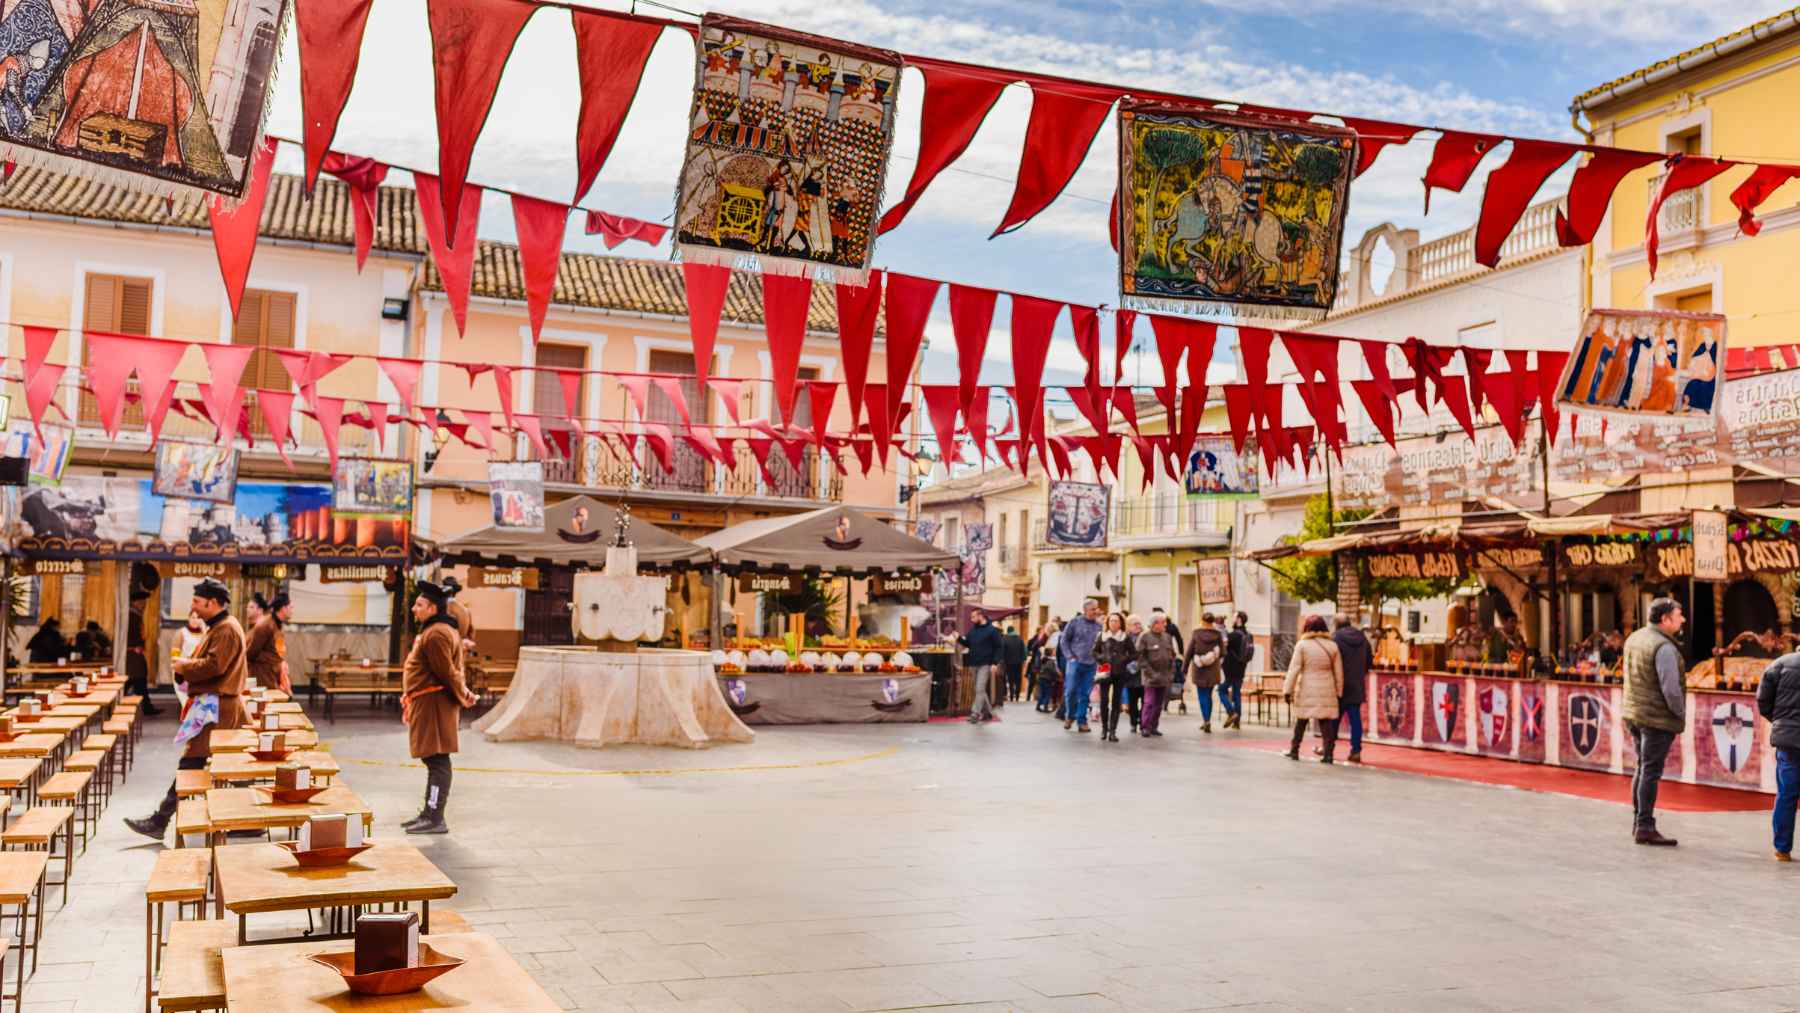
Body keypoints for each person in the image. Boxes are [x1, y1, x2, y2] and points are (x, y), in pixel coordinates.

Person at [126, 578, 248, 841]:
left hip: (217, 707)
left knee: (194, 761)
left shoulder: (226, 628)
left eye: (196, 601)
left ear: (211, 602)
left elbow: (215, 666)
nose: (193, 607)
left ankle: (160, 820)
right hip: (213, 704)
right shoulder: (219, 626)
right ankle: (246, 820)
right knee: (206, 761)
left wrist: (184, 667)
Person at [401, 581, 478, 835]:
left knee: (437, 761)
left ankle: (435, 817)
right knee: (434, 759)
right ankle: (429, 813)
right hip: (429, 704)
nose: (414, 609)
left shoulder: (436, 634)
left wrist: (463, 693)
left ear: (433, 608)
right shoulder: (437, 630)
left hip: (434, 706)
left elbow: (446, 672)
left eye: (419, 605)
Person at [1623, 598, 1687, 847]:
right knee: (1650, 770)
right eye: (1678, 615)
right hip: (1656, 718)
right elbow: (1671, 689)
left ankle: (1639, 821)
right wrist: (1680, 713)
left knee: (1642, 767)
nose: (1682, 620)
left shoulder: (1635, 638)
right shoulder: (1664, 648)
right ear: (1665, 619)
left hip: (1635, 712)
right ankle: (1645, 825)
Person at [1283, 615, 1344, 763]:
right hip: (1326, 687)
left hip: (1307, 687)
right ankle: (1328, 754)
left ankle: (1294, 750)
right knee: (1325, 722)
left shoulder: (1302, 645)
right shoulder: (1332, 646)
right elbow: (1339, 672)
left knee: (1302, 720)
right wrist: (1339, 691)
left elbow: (1294, 669)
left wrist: (1287, 690)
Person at [1758, 647, 1800, 861]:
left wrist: (1779, 721)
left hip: (1788, 741)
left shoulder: (1780, 664)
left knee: (1786, 794)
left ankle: (1782, 849)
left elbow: (1763, 700)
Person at [1332, 614, 1372, 763]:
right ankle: (1356, 751)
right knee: (1355, 719)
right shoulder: (1362, 638)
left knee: (1334, 717)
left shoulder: (1335, 638)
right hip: (1357, 684)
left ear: (1337, 624)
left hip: (1340, 683)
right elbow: (1369, 660)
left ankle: (1328, 746)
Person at [1060, 600, 1103, 733]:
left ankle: (1082, 721)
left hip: (1091, 664)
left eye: (1096, 609)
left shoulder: (1099, 626)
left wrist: (1100, 660)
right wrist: (1070, 657)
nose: (1095, 611)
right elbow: (1064, 640)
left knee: (1085, 693)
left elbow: (1102, 645)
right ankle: (1070, 716)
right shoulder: (1074, 622)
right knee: (1071, 691)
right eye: (1092, 609)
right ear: (1085, 610)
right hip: (1075, 662)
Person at [1135, 614, 1179, 737]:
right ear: (1154, 624)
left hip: (1165, 675)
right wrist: (1151, 673)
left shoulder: (1167, 637)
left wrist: (1171, 672)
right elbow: (1140, 657)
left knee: (1159, 703)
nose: (1164, 625)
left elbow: (1172, 656)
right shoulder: (1144, 636)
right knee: (1149, 702)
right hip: (1151, 676)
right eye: (1161, 623)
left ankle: (1154, 726)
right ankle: (1145, 726)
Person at [1096, 612, 1137, 743]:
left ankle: (1113, 731)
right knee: (1103, 701)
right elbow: (1094, 651)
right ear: (1107, 622)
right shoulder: (1101, 636)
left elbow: (1134, 654)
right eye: (1111, 621)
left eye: (1116, 621)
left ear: (1121, 623)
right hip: (1104, 670)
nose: (1113, 623)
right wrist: (1102, 659)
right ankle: (1104, 729)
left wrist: (1123, 659)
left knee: (1116, 702)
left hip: (1120, 671)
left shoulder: (1125, 637)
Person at [959, 608, 1002, 724]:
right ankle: (987, 712)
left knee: (979, 688)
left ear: (981, 616)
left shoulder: (992, 631)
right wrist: (958, 638)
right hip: (973, 663)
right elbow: (967, 643)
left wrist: (994, 663)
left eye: (973, 617)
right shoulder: (973, 630)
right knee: (979, 690)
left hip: (985, 664)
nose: (971, 619)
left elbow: (999, 647)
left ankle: (975, 713)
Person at [1185, 613, 1226, 733]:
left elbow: (1189, 652)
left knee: (1202, 695)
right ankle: (1207, 720)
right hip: (1213, 669)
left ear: (1202, 621)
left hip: (1199, 668)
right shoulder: (1217, 634)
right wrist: (1214, 655)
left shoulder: (1196, 633)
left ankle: (1206, 720)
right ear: (1212, 622)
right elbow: (1223, 652)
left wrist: (1184, 668)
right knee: (1208, 695)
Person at [246, 593, 293, 693]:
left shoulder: (275, 624)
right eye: (291, 607)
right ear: (283, 608)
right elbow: (250, 653)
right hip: (262, 676)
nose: (292, 610)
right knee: (263, 706)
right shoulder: (265, 625)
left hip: (271, 673)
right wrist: (268, 659)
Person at [125, 588, 161, 715]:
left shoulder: (134, 615)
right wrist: (135, 646)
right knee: (136, 679)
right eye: (142, 602)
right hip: (132, 655)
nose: (144, 605)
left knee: (137, 681)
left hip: (134, 654)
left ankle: (147, 706)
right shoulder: (131, 616)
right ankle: (147, 707)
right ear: (135, 602)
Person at [1220, 611, 1252, 729]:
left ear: (1238, 619)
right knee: (1236, 693)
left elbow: (1224, 646)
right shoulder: (1248, 635)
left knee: (1221, 690)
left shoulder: (1234, 635)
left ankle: (1231, 712)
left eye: (1234, 617)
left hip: (1231, 669)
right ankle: (1237, 722)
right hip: (1241, 668)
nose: (1232, 619)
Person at [1154, 608, 1187, 714]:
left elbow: (1179, 639)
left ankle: (1166, 700)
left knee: (1172, 678)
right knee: (1171, 679)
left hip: (1170, 657)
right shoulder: (1157, 626)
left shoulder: (1171, 627)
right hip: (1162, 657)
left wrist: (1180, 653)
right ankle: (1165, 701)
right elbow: (1179, 639)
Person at [1001, 624, 1026, 702]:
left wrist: (1002, 660)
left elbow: (1002, 651)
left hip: (1008, 663)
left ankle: (1011, 696)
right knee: (1018, 679)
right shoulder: (1019, 639)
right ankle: (1017, 696)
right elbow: (1024, 651)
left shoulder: (1004, 639)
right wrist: (1023, 660)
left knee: (1010, 679)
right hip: (1018, 663)